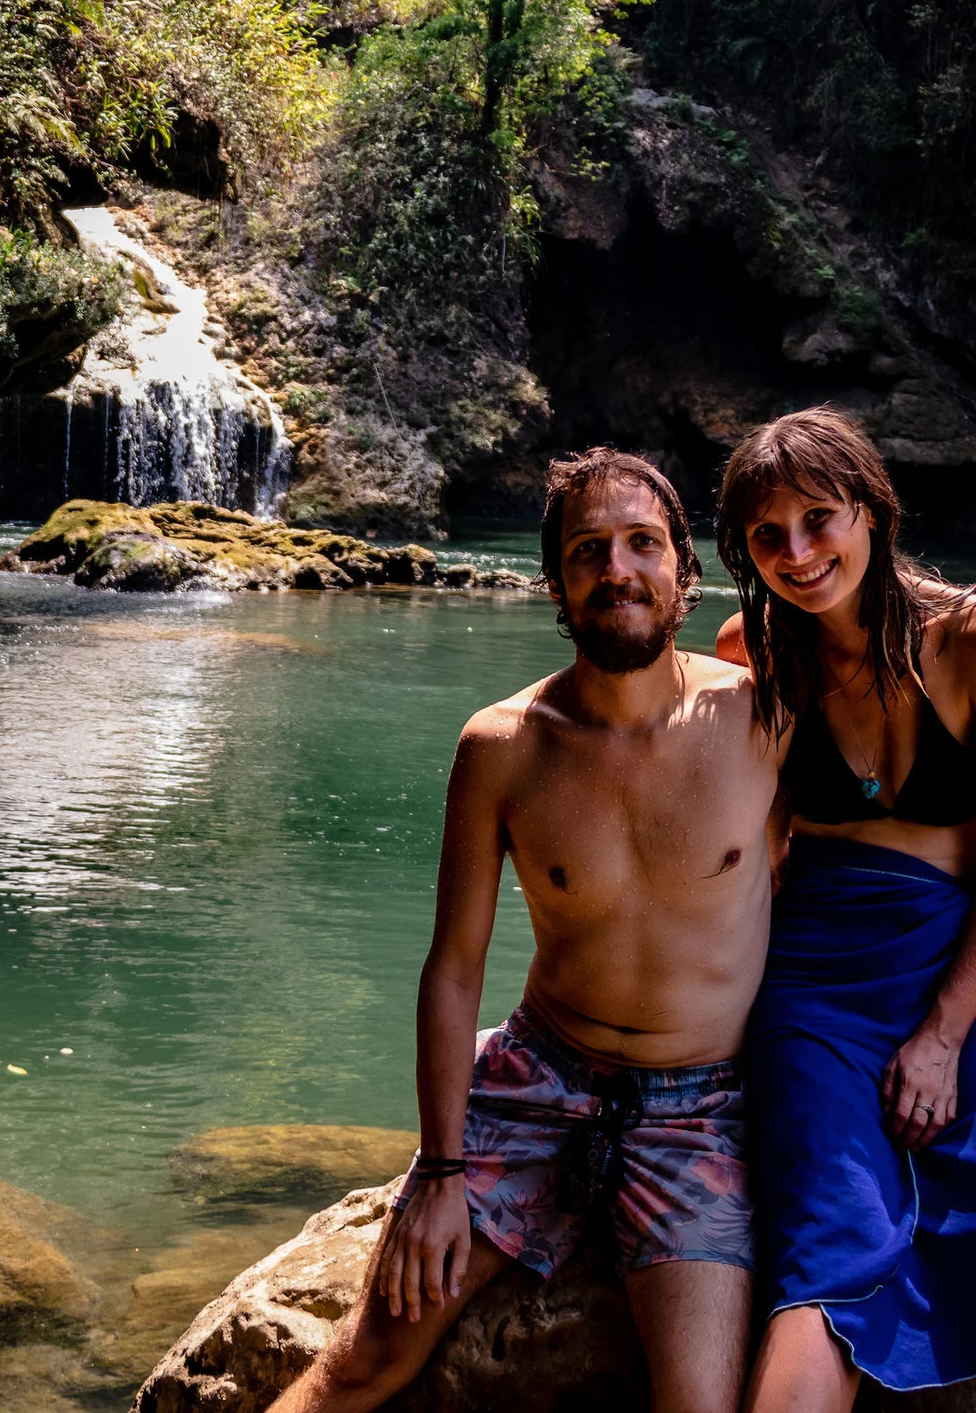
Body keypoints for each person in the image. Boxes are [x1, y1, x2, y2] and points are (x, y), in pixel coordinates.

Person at [268, 448, 783, 1413]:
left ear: (684, 570)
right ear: (555, 580)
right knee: (365, 1363)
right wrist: (439, 1168)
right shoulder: (502, 746)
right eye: (590, 551)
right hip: (539, 1078)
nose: (618, 570)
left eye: (642, 545)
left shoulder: (761, 718)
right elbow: (454, 968)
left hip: (701, 1103)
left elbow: (880, 847)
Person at [709, 408, 976, 1413]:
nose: (798, 555)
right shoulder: (749, 647)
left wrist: (944, 1032)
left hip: (960, 954)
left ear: (871, 511)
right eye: (767, 537)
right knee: (828, 1236)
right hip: (808, 973)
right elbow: (739, 845)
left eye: (819, 519)